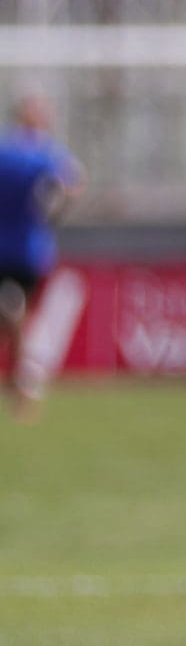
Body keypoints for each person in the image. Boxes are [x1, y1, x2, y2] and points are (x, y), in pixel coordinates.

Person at [0, 97, 82, 422]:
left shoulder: (5, 150)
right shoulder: (45, 152)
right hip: (30, 250)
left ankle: (19, 384)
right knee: (18, 315)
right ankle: (22, 386)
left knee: (12, 316)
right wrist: (54, 213)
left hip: (8, 248)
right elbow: (74, 184)